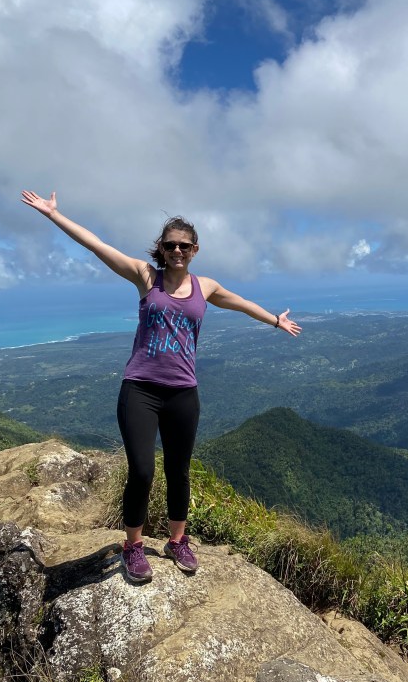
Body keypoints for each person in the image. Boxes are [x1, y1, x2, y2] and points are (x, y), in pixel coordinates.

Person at [21, 190, 301, 582]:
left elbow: (239, 302)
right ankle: (133, 546)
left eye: (184, 245)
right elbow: (97, 245)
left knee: (179, 471)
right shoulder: (146, 277)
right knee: (141, 470)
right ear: (162, 248)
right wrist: (54, 215)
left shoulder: (206, 287)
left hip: (183, 392)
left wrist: (275, 320)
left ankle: (177, 540)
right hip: (140, 389)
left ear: (195, 249)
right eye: (170, 245)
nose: (177, 251)